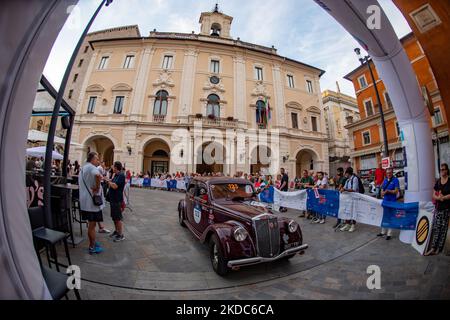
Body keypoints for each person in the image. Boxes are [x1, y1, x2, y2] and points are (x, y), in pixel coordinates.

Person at [79, 152, 105, 254]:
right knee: (92, 226)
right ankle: (92, 246)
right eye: (97, 159)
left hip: (85, 201)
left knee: (91, 225)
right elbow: (98, 176)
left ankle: (92, 242)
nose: (98, 161)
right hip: (92, 202)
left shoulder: (84, 168)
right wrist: (97, 187)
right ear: (92, 159)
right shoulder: (91, 167)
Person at [425, 164, 450, 256]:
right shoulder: (438, 182)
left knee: (443, 229)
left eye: (444, 169)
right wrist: (439, 198)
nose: (442, 171)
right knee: (437, 228)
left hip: (447, 209)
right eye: (441, 170)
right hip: (439, 208)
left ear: (447, 170)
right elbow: (433, 195)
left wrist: (445, 197)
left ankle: (439, 249)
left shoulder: (449, 181)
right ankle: (433, 248)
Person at [105, 161, 126, 242]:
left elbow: (115, 186)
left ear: (116, 167)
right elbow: (113, 182)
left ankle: (121, 235)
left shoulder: (121, 175)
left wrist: (108, 181)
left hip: (117, 199)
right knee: (114, 217)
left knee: (117, 218)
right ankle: (117, 231)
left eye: (113, 166)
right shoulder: (116, 175)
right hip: (113, 199)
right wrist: (108, 179)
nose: (112, 167)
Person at [376, 167, 400, 240]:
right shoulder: (385, 180)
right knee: (384, 216)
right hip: (385, 201)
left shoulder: (395, 180)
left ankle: (389, 234)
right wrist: (382, 193)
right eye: (387, 173)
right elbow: (382, 189)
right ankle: (383, 232)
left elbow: (396, 191)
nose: (388, 174)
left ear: (392, 173)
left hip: (392, 201)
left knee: (391, 217)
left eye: (389, 173)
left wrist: (388, 191)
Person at [339, 167, 358, 232]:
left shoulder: (354, 179)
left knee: (353, 212)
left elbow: (354, 189)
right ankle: (347, 225)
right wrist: (341, 189)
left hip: (354, 198)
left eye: (345, 173)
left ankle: (353, 225)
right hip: (348, 199)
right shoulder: (347, 180)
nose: (345, 174)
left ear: (347, 173)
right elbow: (344, 187)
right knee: (347, 211)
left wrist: (345, 189)